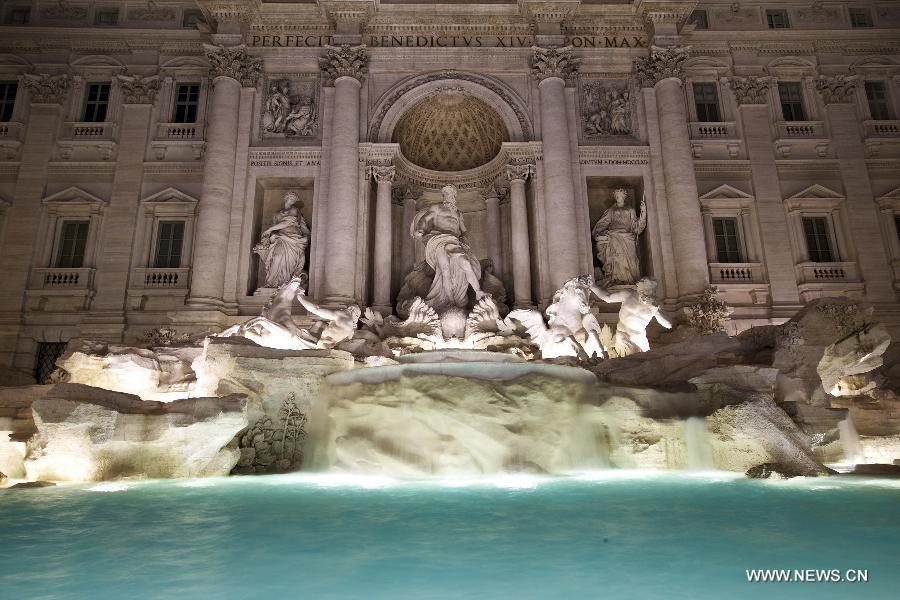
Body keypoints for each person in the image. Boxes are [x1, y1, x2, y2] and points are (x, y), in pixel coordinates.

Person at [410, 184, 486, 314]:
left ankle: (478, 291)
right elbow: (424, 219)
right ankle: (450, 301)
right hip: (438, 240)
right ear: (443, 195)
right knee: (445, 270)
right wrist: (420, 229)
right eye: (446, 194)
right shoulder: (437, 208)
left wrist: (465, 240)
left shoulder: (458, 213)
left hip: (454, 241)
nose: (449, 196)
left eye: (451, 194)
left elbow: (463, 231)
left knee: (465, 263)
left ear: (455, 196)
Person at [590, 277, 672, 355]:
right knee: (634, 358)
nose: (645, 293)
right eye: (643, 290)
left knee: (647, 362)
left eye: (649, 290)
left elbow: (668, 325)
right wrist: (592, 286)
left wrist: (655, 311)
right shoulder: (628, 294)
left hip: (640, 337)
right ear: (639, 287)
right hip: (623, 334)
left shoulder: (656, 303)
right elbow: (608, 298)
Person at [253, 191, 310, 288]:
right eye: (290, 198)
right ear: (286, 199)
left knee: (290, 263)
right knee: (277, 257)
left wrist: (306, 238)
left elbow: (295, 226)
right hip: (280, 239)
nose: (291, 200)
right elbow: (275, 227)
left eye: (293, 199)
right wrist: (271, 235)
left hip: (294, 240)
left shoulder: (296, 212)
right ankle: (272, 283)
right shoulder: (277, 214)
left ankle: (287, 284)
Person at [592, 188, 646, 285]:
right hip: (614, 237)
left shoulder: (630, 210)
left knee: (631, 259)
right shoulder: (611, 210)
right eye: (617, 196)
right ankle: (616, 280)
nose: (618, 198)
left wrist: (643, 213)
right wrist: (600, 233)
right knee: (616, 259)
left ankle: (630, 281)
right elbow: (602, 224)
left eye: (620, 196)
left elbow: (636, 228)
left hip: (627, 238)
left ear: (624, 197)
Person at [295, 289, 361, 349]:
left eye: (346, 308)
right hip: (325, 345)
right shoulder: (351, 329)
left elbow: (316, 309)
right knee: (319, 323)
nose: (342, 309)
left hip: (323, 345)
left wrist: (300, 297)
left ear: (351, 309)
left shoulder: (344, 315)